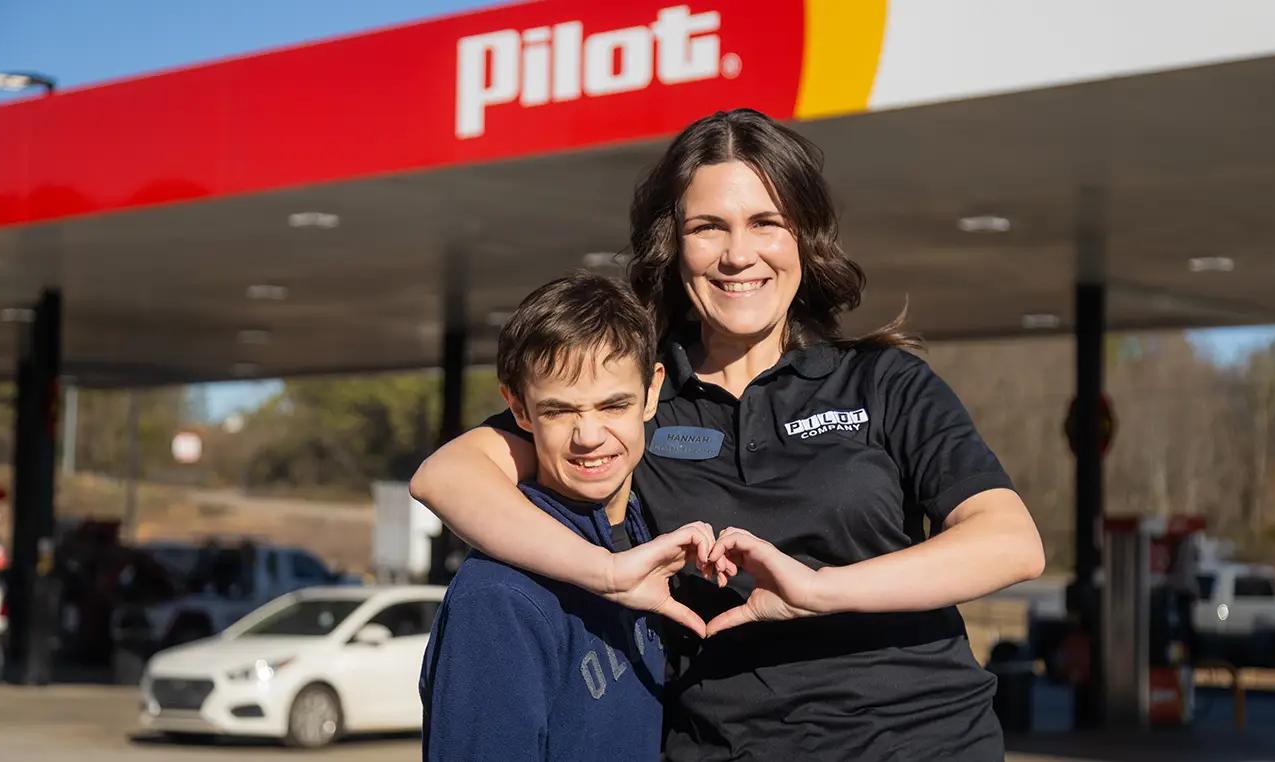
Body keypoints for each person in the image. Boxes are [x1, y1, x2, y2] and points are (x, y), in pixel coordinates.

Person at [412, 108, 1045, 761]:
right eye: (709, 227)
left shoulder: (883, 382)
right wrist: (607, 573)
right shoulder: (637, 395)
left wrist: (820, 590)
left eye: (766, 223)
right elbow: (447, 478)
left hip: (925, 744)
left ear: (804, 236)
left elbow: (1011, 544)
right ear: (673, 244)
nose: (739, 254)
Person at [418, 273, 715, 761]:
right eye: (560, 411)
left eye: (614, 404)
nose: (589, 435)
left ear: (652, 391)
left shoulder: (642, 531)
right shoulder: (498, 599)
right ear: (518, 408)